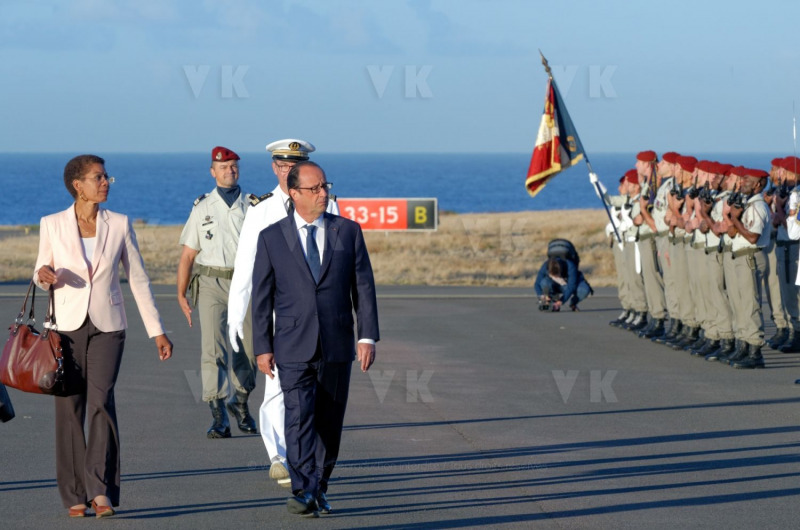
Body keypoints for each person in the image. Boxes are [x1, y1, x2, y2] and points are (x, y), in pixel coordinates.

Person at [33, 154, 173, 518]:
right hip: (64, 326)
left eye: (107, 176)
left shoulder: (121, 224)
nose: (106, 182)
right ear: (78, 185)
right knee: (69, 409)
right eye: (99, 177)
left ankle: (100, 490)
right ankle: (74, 494)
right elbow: (39, 269)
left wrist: (157, 330)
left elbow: (138, 279)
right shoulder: (52, 223)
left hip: (109, 326)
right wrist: (43, 274)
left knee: (100, 403)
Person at [252, 161, 379, 517]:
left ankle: (319, 486)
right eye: (314, 188)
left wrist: (366, 335)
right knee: (298, 417)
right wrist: (262, 346)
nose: (323, 193)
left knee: (328, 422)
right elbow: (261, 299)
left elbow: (363, 288)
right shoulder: (272, 237)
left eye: (325, 186)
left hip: (337, 343)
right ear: (294, 194)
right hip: (292, 345)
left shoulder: (348, 232)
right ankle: (303, 489)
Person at [227, 138, 339, 487]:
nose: (290, 170)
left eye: (297, 164)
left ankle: (304, 458)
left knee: (316, 393)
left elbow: (340, 258)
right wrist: (235, 314)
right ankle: (278, 456)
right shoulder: (261, 211)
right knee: (276, 386)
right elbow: (245, 268)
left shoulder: (329, 205)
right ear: (275, 168)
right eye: (284, 165)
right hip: (278, 314)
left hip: (319, 317)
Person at [177, 146, 257, 438]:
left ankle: (241, 401)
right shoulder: (202, 208)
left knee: (248, 348)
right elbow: (188, 255)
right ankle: (218, 413)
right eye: (224, 167)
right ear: (213, 172)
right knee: (213, 349)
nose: (230, 171)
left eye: (234, 166)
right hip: (211, 282)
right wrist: (180, 294)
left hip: (246, 284)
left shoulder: (253, 205)